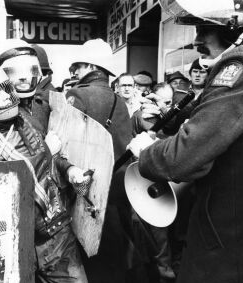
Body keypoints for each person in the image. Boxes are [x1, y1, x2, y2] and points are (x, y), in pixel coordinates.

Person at [128, 0, 243, 282]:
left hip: (233, 239)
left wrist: (147, 152)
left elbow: (184, 158)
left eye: (204, 28)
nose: (196, 39)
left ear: (237, 28)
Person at [0, 62, 89, 282]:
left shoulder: (25, 123)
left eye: (6, 88)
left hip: (55, 230)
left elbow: (46, 159)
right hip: (9, 239)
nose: (7, 96)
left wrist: (69, 168)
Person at [66, 39, 152, 283]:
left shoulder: (77, 95)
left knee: (91, 255)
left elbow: (69, 149)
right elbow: (125, 145)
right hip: (117, 188)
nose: (76, 72)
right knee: (116, 252)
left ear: (89, 66)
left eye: (79, 67)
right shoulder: (118, 101)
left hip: (88, 189)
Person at [0, 39, 52, 137]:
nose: (23, 77)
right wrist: (49, 149)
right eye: (14, 72)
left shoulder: (44, 107)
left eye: (29, 70)